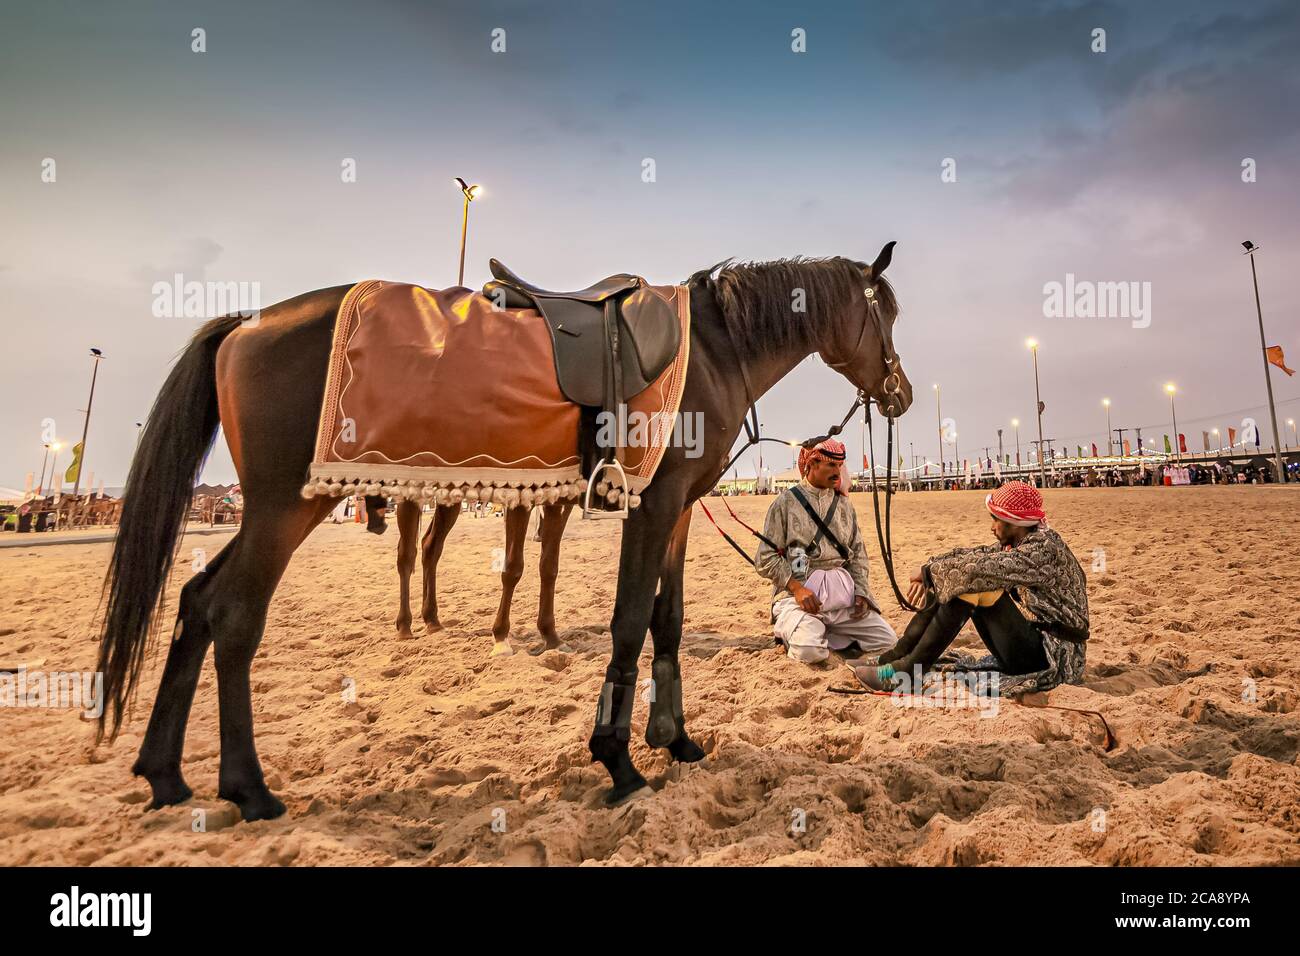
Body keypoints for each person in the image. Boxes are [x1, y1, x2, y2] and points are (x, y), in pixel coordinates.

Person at [852, 480, 1089, 696]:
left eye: (997, 519)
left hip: (1054, 657)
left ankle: (904, 671)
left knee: (971, 584)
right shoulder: (1026, 541)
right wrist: (930, 568)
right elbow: (977, 556)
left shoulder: (1042, 550)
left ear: (1015, 523)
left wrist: (929, 573)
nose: (992, 527)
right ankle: (895, 657)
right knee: (959, 579)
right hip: (1034, 644)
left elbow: (978, 569)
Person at [755, 438, 897, 664]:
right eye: (831, 465)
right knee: (810, 652)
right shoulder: (784, 503)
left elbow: (858, 554)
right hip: (798, 599)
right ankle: (797, 631)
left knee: (888, 641)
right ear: (811, 465)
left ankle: (825, 631)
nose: (837, 472)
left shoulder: (844, 506)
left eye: (840, 466)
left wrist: (861, 592)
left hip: (842, 598)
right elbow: (765, 558)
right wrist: (797, 588)